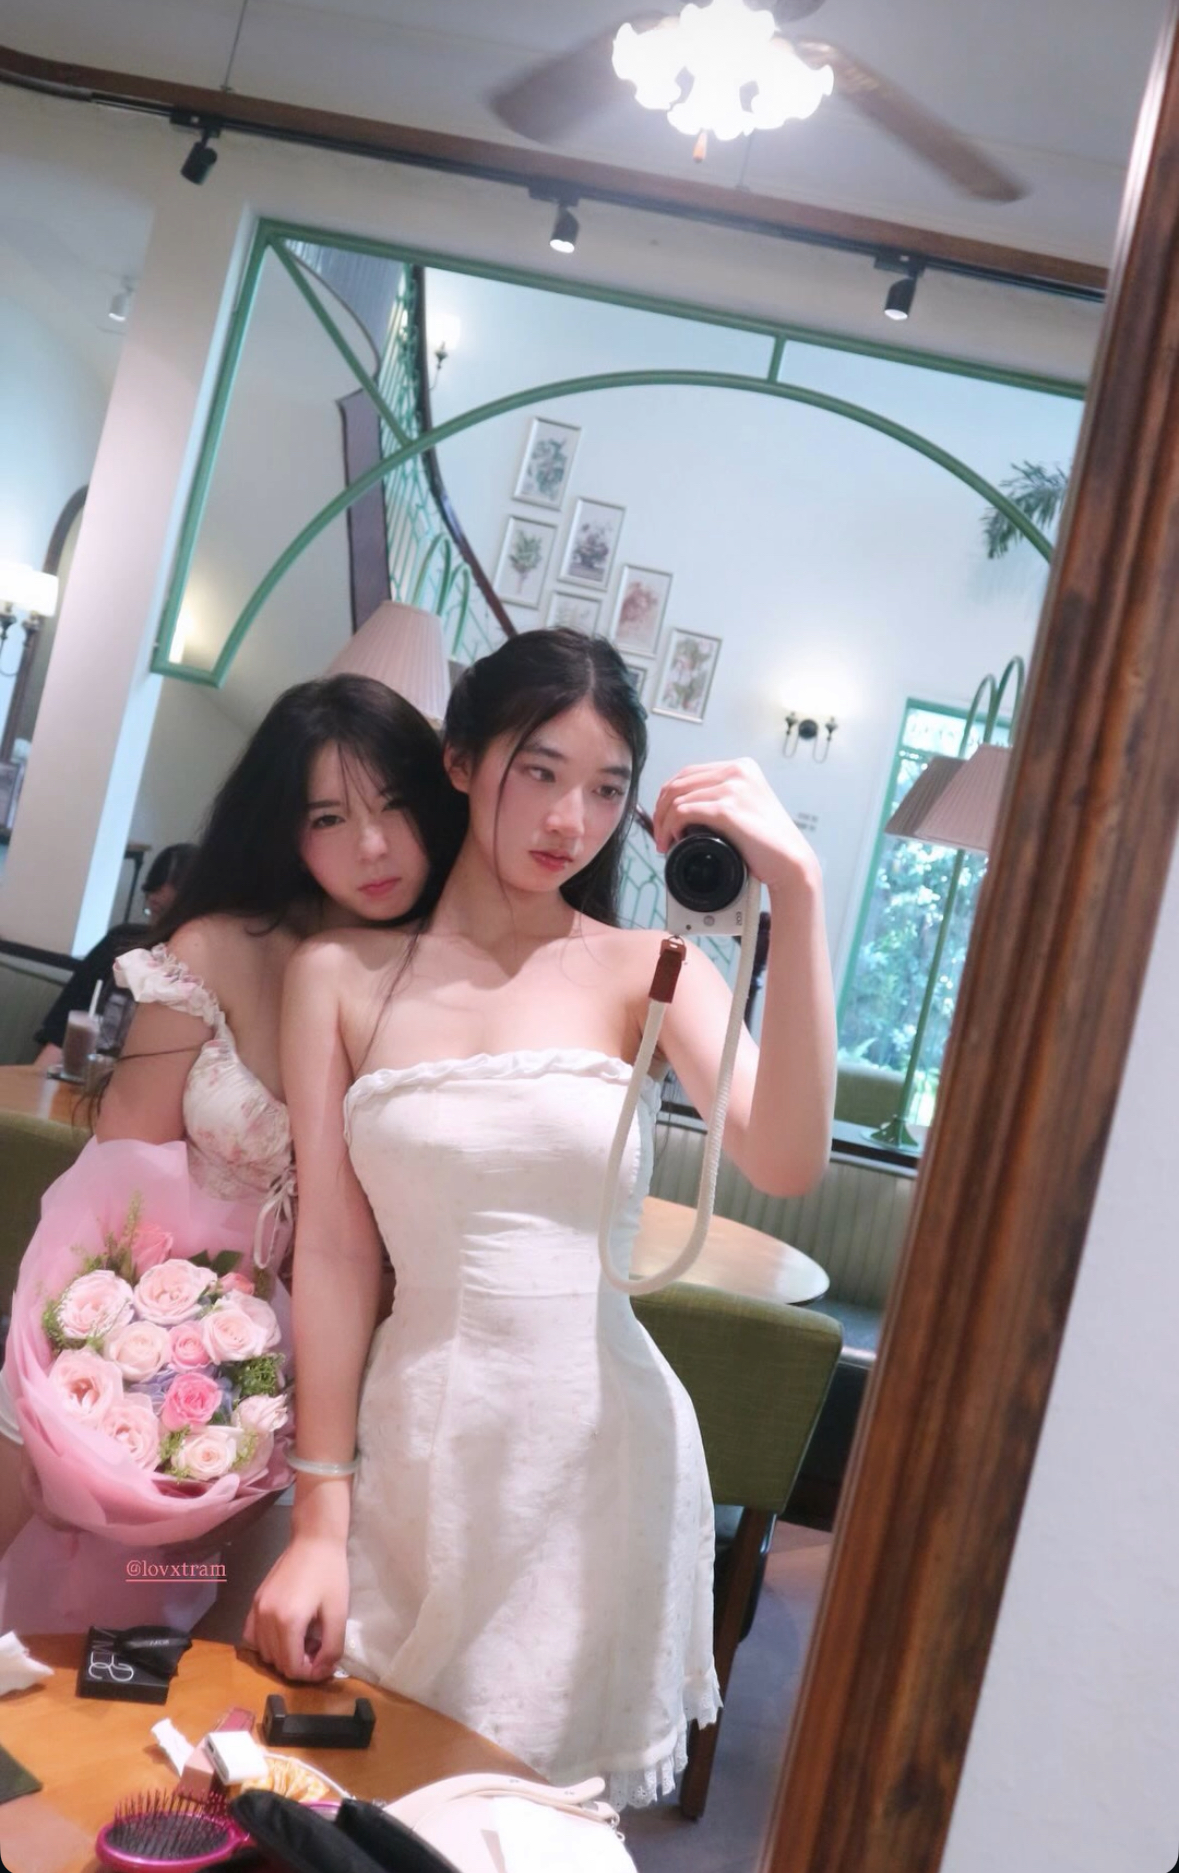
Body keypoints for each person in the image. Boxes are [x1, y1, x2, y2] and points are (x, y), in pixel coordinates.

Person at [244, 628, 836, 1808]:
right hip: (418, 1448)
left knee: (541, 1823)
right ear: (462, 760)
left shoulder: (650, 968)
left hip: (597, 1456)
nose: (573, 819)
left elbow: (784, 1157)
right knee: (355, 1802)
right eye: (542, 771)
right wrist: (317, 1518)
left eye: (608, 789)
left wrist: (802, 896)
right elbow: (337, 1253)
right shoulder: (342, 975)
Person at [0, 673, 466, 1631]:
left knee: (179, 1629)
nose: (371, 846)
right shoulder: (215, 948)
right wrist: (91, 1357)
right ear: (287, 829)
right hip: (133, 1316)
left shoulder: (444, 989)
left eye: (392, 806)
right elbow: (117, 1173)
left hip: (315, 1377)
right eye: (329, 817)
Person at [32, 843, 197, 1066]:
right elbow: (61, 1033)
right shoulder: (121, 941)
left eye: (166, 913)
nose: (157, 925)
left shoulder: (195, 971)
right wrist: (37, 1076)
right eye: (153, 910)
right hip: (81, 1070)